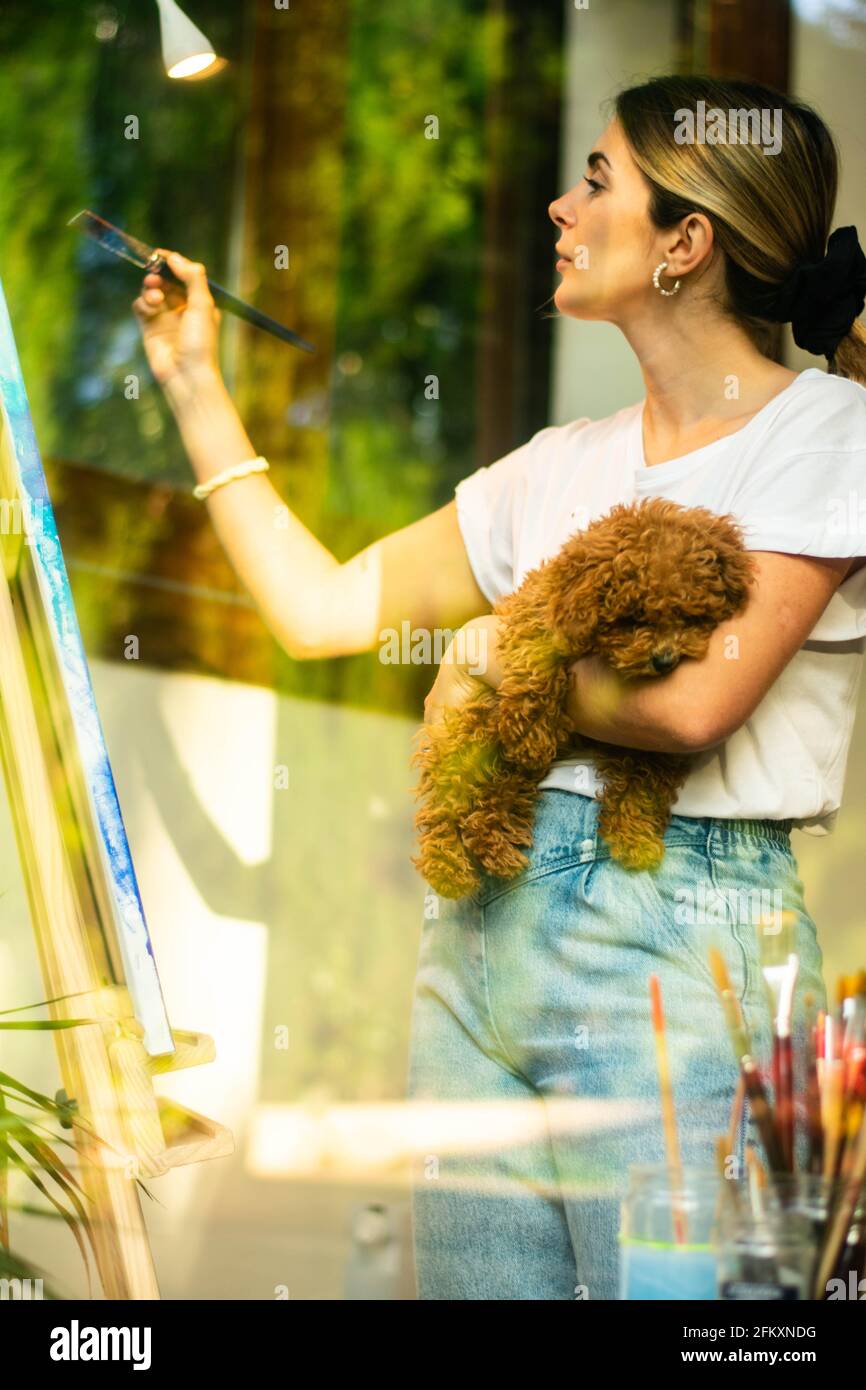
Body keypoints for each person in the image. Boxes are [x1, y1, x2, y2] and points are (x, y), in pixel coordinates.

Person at [134, 75, 866, 1301]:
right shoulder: (551, 468)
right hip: (479, 931)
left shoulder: (828, 429)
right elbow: (319, 613)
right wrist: (193, 384)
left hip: (682, 945)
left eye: (593, 179)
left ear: (685, 243)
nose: (556, 205)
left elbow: (691, 708)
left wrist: (489, 662)